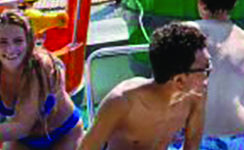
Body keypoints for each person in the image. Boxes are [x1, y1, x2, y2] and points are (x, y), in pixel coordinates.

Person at [0, 10, 84, 150]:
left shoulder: (41, 66)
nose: (11, 49)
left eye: (18, 41)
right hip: (24, 140)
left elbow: (21, 126)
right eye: (3, 42)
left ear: (29, 41)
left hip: (63, 134)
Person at [78, 22, 208, 150]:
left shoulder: (195, 96)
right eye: (204, 70)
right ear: (179, 80)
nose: (208, 76)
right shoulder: (122, 102)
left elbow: (192, 146)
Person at [189, 0, 244, 150]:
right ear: (235, 2)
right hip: (238, 136)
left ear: (200, 2)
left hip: (194, 136)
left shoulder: (181, 34)